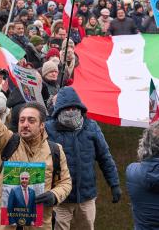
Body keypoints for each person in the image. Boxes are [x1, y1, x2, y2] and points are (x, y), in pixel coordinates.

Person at [0, 82, 72, 229]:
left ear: (42, 125)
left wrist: (54, 195)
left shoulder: (55, 151)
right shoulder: (8, 142)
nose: (25, 124)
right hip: (3, 223)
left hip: (38, 223)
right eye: (22, 120)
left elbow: (66, 182)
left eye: (31, 120)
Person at [45, 87, 121, 230]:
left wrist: (114, 184)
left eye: (74, 107)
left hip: (86, 196)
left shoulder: (91, 127)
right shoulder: (48, 129)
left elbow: (105, 157)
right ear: (59, 108)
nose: (70, 111)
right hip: (59, 198)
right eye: (66, 108)